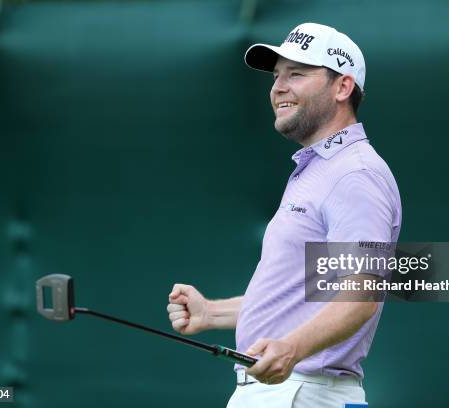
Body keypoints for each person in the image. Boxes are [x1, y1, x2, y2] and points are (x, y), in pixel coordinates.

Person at [167, 22, 402, 407]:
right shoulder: (322, 169)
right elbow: (304, 295)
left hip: (302, 391)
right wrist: (213, 312)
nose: (278, 87)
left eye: (297, 74)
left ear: (342, 87)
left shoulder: (355, 174)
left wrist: (291, 349)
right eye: (277, 76)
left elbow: (361, 295)